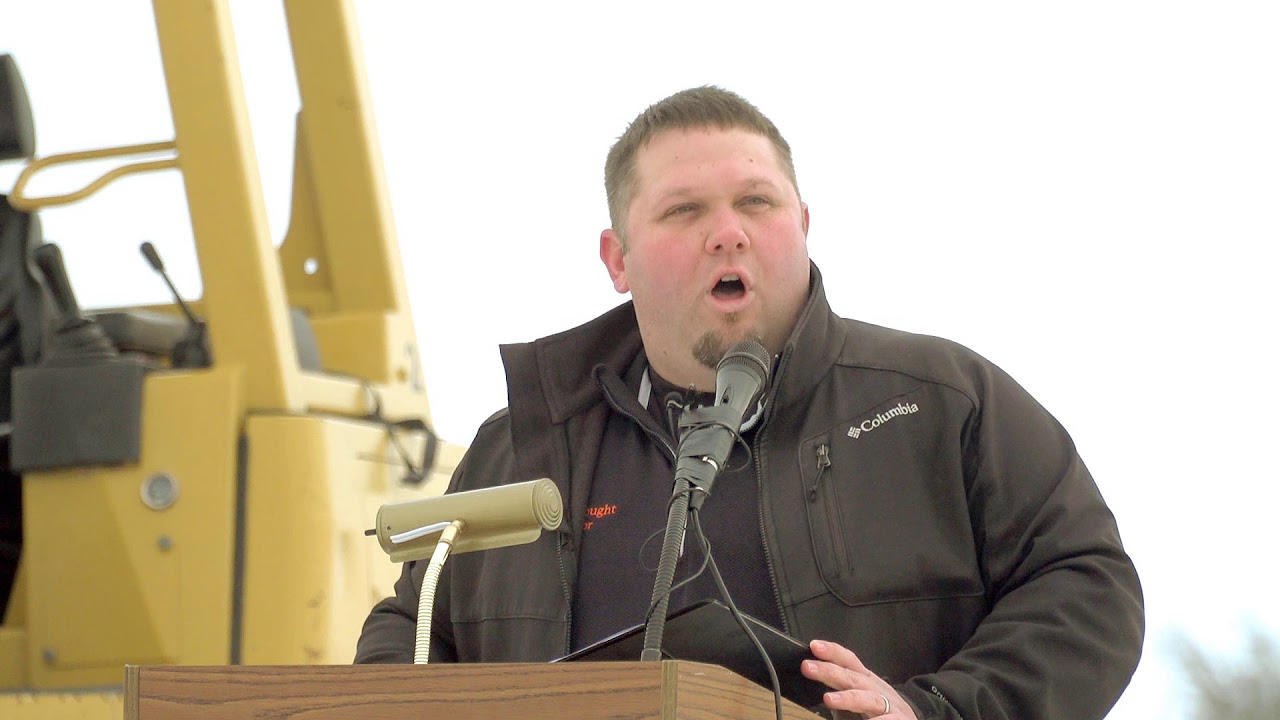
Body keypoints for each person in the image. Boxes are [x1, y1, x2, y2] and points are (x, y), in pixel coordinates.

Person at [355, 86, 1144, 719]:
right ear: (616, 259)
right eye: (684, 210)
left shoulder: (941, 403)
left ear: (803, 226)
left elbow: (1087, 587)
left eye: (757, 203)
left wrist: (936, 712)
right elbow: (413, 622)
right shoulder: (523, 447)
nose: (726, 233)